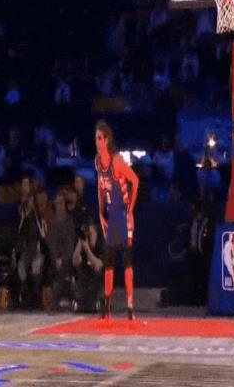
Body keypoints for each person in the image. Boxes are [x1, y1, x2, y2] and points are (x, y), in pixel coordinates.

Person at [95, 120, 139, 320]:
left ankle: (130, 305)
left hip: (122, 213)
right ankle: (107, 305)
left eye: (100, 138)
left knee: (127, 259)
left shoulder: (117, 161)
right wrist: (100, 213)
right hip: (111, 215)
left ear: (107, 140)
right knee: (109, 260)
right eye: (96, 139)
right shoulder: (98, 162)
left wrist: (130, 211)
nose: (97, 142)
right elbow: (100, 187)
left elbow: (135, 181)